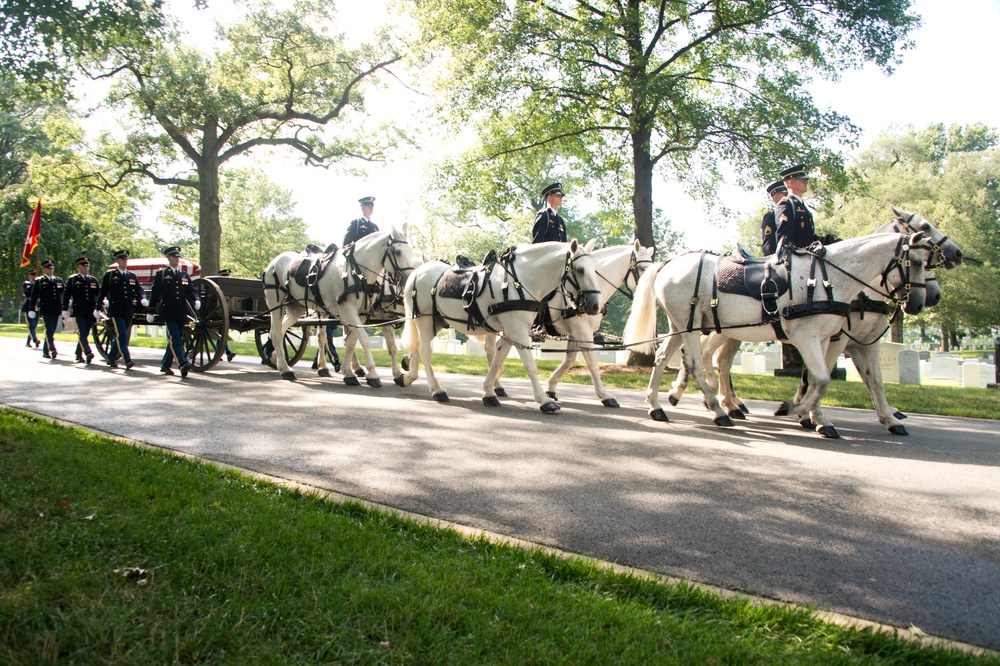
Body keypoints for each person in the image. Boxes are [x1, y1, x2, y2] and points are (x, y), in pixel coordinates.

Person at [148, 246, 198, 377]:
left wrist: (196, 299)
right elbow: (155, 294)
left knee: (177, 338)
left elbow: (191, 290)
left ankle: (165, 365)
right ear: (169, 258)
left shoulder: (184, 275)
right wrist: (150, 311)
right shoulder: (162, 274)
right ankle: (182, 363)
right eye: (174, 257)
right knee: (175, 338)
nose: (177, 259)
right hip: (168, 312)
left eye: (178, 257)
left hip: (181, 312)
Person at [99, 249, 146, 369]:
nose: (125, 261)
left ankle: (110, 358)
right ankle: (127, 359)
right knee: (123, 335)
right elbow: (103, 292)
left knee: (121, 335)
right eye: (122, 259)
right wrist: (98, 306)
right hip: (116, 310)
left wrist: (142, 298)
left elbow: (138, 289)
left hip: (128, 310)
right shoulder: (110, 276)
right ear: (117, 261)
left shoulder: (131, 276)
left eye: (126, 259)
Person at [63, 257, 101, 364]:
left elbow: (98, 293)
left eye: (87, 266)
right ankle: (88, 352)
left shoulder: (93, 280)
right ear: (78, 267)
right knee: (82, 331)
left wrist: (103, 302)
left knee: (85, 333)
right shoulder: (73, 279)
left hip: (90, 311)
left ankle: (78, 353)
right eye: (84, 266)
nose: (86, 268)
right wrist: (64, 309)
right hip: (78, 311)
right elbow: (66, 295)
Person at [773, 164, 819, 251]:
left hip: (808, 258)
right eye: (802, 180)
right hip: (798, 261)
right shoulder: (786, 204)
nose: (806, 182)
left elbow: (808, 237)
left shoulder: (801, 205)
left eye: (805, 179)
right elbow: (785, 239)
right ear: (791, 182)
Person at [28, 259, 65, 359]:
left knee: (51, 331)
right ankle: (52, 348)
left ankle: (45, 351)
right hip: (45, 309)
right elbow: (34, 295)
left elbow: (64, 292)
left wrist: (66, 303)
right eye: (48, 268)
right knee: (49, 328)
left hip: (56, 309)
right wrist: (32, 308)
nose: (50, 270)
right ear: (44, 269)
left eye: (52, 268)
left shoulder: (58, 280)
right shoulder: (40, 281)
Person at [760, 180, 788, 256]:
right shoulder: (771, 216)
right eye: (785, 194)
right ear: (776, 198)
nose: (788, 197)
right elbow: (769, 245)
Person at [217, 268, 237, 362]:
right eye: (225, 276)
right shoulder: (219, 287)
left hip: (228, 311)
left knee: (222, 334)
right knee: (222, 334)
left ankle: (221, 353)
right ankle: (228, 352)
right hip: (218, 312)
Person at [22, 268, 41, 347]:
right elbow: (27, 291)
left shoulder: (39, 283)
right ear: (29, 276)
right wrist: (35, 284)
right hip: (28, 306)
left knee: (34, 325)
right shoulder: (27, 283)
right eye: (32, 275)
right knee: (31, 324)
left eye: (35, 275)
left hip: (36, 306)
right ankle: (35, 339)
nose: (34, 276)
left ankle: (28, 342)